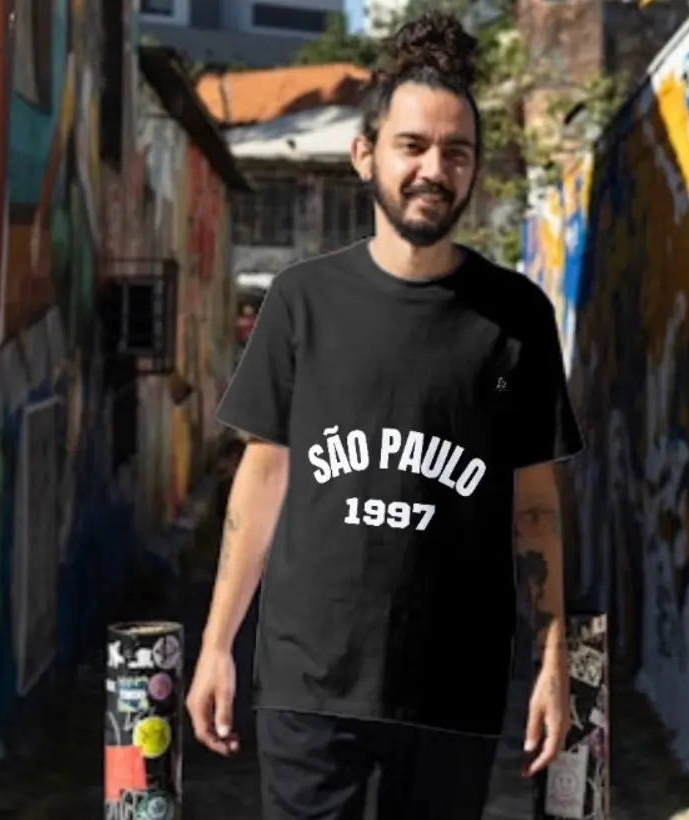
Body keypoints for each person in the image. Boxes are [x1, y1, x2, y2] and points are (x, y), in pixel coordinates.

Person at [186, 11, 585, 820]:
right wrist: (217, 642)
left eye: (456, 152)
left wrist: (553, 663)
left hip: (453, 685)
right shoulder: (301, 301)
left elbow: (535, 507)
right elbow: (262, 479)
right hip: (309, 680)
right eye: (413, 146)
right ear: (365, 154)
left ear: (473, 169)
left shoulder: (516, 316)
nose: (434, 169)